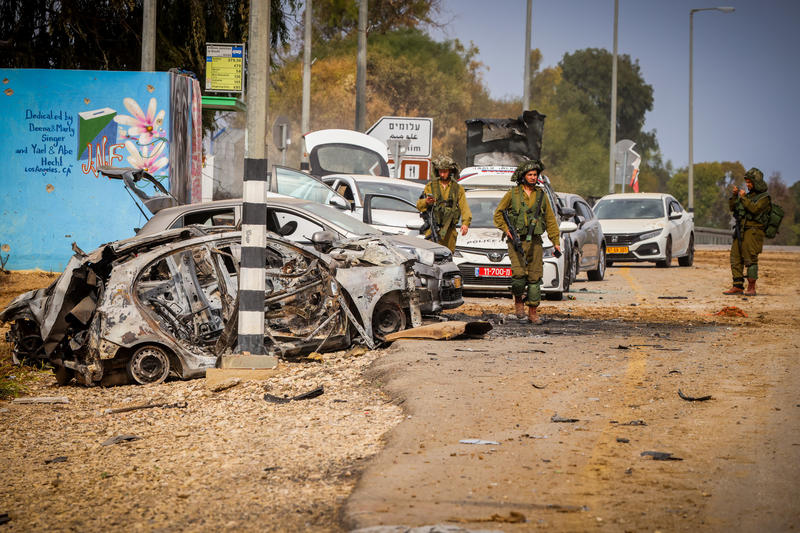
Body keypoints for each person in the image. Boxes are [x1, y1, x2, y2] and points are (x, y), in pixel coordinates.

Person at [493, 160, 560, 324]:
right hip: (516, 241)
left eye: (535, 175)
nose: (532, 177)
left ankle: (533, 312)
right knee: (518, 275)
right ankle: (518, 300)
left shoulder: (541, 195)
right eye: (529, 174)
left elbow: (550, 220)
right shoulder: (513, 194)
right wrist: (506, 229)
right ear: (523, 176)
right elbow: (498, 214)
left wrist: (555, 241)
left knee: (535, 277)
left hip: (535, 241)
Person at [723, 167, 770, 296]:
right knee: (735, 257)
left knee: (750, 259)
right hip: (741, 230)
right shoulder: (746, 196)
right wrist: (734, 196)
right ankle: (737, 286)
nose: (748, 185)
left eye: (750, 182)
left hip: (753, 232)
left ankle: (751, 287)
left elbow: (754, 209)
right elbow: (734, 208)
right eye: (747, 182)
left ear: (756, 182)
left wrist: (743, 198)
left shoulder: (764, 198)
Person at [416, 155, 471, 252]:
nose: (442, 174)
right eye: (440, 171)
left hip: (449, 232)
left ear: (450, 171)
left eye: (445, 171)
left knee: (448, 256)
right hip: (433, 229)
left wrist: (465, 224)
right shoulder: (431, 186)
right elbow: (419, 206)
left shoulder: (457, 188)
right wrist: (426, 202)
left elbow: (464, 208)